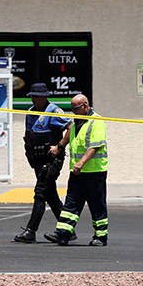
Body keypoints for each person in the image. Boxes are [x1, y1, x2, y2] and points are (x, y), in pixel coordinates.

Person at [45, 93, 108, 246]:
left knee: (96, 204)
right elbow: (69, 134)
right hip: (77, 172)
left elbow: (94, 146)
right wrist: (59, 147)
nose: (73, 111)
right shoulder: (77, 122)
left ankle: (100, 237)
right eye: (72, 109)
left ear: (85, 106)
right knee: (71, 204)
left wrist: (81, 162)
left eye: (76, 108)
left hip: (94, 172)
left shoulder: (96, 122)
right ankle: (63, 234)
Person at [13, 82, 72, 243]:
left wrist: (59, 146)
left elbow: (71, 127)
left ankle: (31, 231)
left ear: (44, 97)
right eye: (32, 96)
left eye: (36, 97)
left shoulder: (53, 111)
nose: (33, 99)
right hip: (38, 160)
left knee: (40, 193)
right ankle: (67, 230)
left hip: (51, 160)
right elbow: (28, 135)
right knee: (51, 195)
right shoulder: (31, 112)